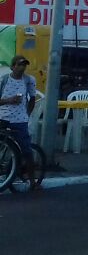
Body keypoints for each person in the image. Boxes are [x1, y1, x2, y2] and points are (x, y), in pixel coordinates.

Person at [0, 56, 40, 184]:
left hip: (20, 120)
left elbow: (32, 99)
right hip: (2, 117)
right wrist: (9, 100)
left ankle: (33, 181)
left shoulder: (29, 80)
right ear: (12, 67)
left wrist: (27, 115)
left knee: (26, 150)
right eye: (19, 64)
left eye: (24, 65)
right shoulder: (4, 80)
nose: (22, 67)